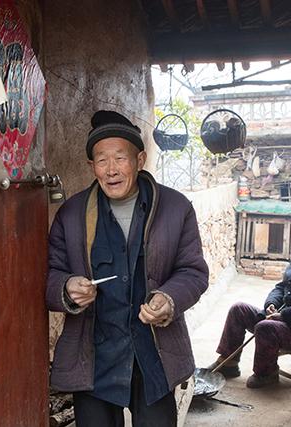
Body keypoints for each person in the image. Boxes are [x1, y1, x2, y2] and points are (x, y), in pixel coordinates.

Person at [46, 110, 209, 426]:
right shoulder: (71, 214)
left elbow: (193, 271)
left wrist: (169, 298)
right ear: (92, 167)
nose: (111, 170)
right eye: (101, 161)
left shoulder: (175, 209)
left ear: (140, 159)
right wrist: (66, 288)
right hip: (93, 356)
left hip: (153, 354)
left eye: (120, 158)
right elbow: (51, 273)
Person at [207, 227, 291, 388]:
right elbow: (280, 288)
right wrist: (271, 305)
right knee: (238, 309)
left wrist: (284, 315)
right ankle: (228, 363)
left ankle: (266, 374)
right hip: (284, 320)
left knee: (265, 327)